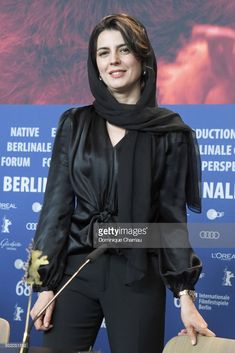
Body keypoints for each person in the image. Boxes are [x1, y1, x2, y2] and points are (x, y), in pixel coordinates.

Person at [30, 13, 215, 353]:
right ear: (95, 64)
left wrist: (185, 296)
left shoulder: (171, 133)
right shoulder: (75, 123)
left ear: (143, 58)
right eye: (103, 53)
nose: (113, 60)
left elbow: (171, 221)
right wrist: (43, 286)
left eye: (123, 50)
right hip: (77, 270)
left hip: (138, 276)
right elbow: (55, 209)